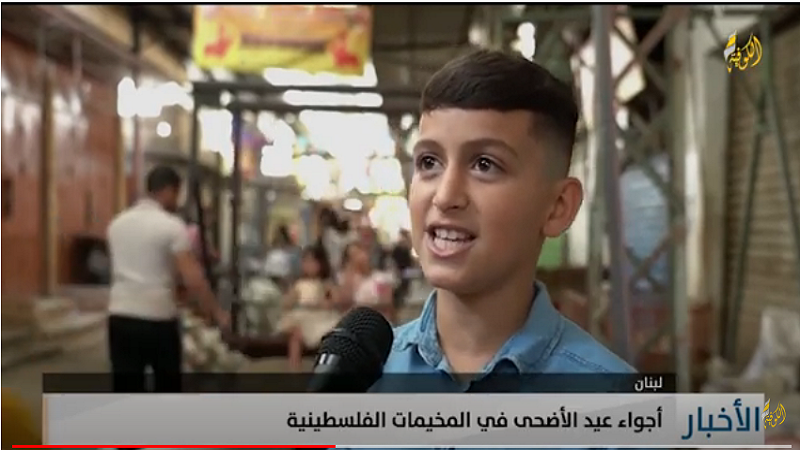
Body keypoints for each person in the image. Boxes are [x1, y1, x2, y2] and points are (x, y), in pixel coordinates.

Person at [378, 50, 634, 386]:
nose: (445, 196)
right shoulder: (365, 380)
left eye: (485, 164)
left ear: (558, 207)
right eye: (429, 162)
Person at [107, 166, 229, 393]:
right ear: (169, 190)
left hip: (120, 316)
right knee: (167, 387)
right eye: (177, 193)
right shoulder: (172, 226)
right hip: (158, 319)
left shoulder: (117, 224)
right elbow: (193, 278)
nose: (178, 200)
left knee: (126, 388)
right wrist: (216, 312)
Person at [275, 245, 340, 371]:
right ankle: (294, 369)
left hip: (320, 318)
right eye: (306, 262)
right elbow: (287, 302)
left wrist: (322, 303)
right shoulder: (299, 284)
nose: (309, 265)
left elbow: (334, 300)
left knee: (330, 334)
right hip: (302, 316)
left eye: (313, 262)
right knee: (295, 335)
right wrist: (290, 299)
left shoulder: (325, 283)